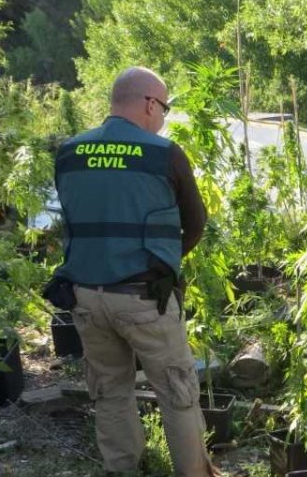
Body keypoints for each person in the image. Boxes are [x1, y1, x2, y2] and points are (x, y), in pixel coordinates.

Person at [50, 66, 216, 476]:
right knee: (177, 392)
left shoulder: (69, 152)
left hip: (85, 297)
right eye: (164, 107)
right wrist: (165, 261)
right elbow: (195, 223)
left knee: (109, 391)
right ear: (148, 103)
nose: (163, 117)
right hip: (145, 299)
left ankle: (122, 469)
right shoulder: (164, 153)